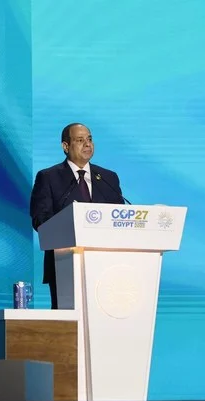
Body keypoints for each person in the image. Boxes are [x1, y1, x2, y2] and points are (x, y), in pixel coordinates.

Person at [30, 123, 126, 309]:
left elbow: (119, 219)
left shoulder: (108, 177)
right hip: (64, 264)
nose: (87, 144)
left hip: (107, 265)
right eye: (80, 140)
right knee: (69, 327)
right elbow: (40, 219)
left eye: (89, 139)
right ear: (65, 146)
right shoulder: (48, 177)